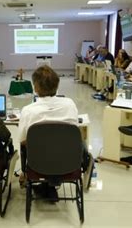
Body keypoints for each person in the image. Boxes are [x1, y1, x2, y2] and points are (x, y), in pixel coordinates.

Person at [18, 65, 92, 201]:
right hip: (68, 161)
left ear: (35, 87)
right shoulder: (70, 104)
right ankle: (50, 187)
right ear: (57, 85)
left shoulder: (28, 110)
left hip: (38, 163)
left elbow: (23, 141)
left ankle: (44, 186)